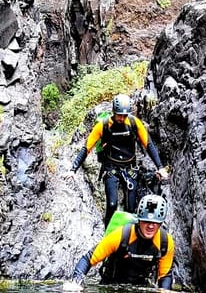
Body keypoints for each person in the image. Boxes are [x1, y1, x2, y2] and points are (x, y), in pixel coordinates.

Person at [71, 94, 169, 226]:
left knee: (130, 208)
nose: (122, 118)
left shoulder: (134, 123)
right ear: (113, 112)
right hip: (111, 168)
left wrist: (160, 167)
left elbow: (148, 144)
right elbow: (87, 147)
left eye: (124, 115)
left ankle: (127, 237)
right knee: (112, 205)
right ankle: (108, 233)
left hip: (130, 169)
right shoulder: (103, 126)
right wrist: (73, 169)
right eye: (119, 115)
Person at [63, 195, 175, 291]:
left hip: (141, 286)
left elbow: (165, 276)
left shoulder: (165, 242)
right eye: (146, 221)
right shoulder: (121, 235)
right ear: (139, 220)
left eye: (155, 222)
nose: (150, 226)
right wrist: (75, 283)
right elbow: (88, 259)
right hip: (111, 285)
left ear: (160, 223)